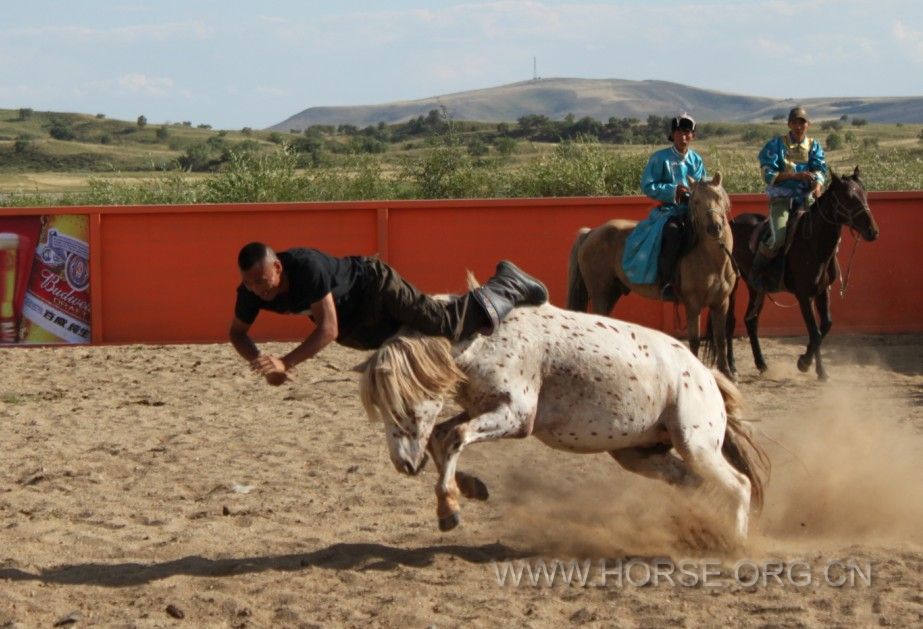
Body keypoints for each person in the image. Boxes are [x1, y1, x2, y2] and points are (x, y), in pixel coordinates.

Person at [229, 243, 548, 385]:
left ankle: (507, 283)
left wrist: (285, 362)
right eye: (251, 284)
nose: (259, 289)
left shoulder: (306, 267)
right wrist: (259, 361)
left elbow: (327, 329)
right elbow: (237, 333)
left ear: (278, 267)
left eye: (263, 280)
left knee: (445, 324)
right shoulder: (251, 294)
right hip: (358, 327)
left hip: (376, 287)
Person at [622, 112, 706, 301]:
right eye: (678, 133)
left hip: (693, 211)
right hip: (668, 212)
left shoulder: (697, 160)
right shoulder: (659, 158)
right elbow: (648, 185)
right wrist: (673, 191)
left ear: (693, 135)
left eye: (687, 132)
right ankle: (667, 282)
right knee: (673, 232)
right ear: (672, 135)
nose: (683, 137)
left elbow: (702, 185)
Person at [750, 105, 827, 291]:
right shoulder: (776, 145)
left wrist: (817, 184)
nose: (799, 126)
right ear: (789, 124)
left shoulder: (814, 146)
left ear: (808, 125)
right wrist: (794, 176)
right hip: (782, 199)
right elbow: (767, 174)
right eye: (795, 122)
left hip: (807, 199)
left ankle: (824, 275)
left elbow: (820, 169)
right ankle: (757, 272)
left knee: (826, 232)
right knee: (778, 237)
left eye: (802, 122)